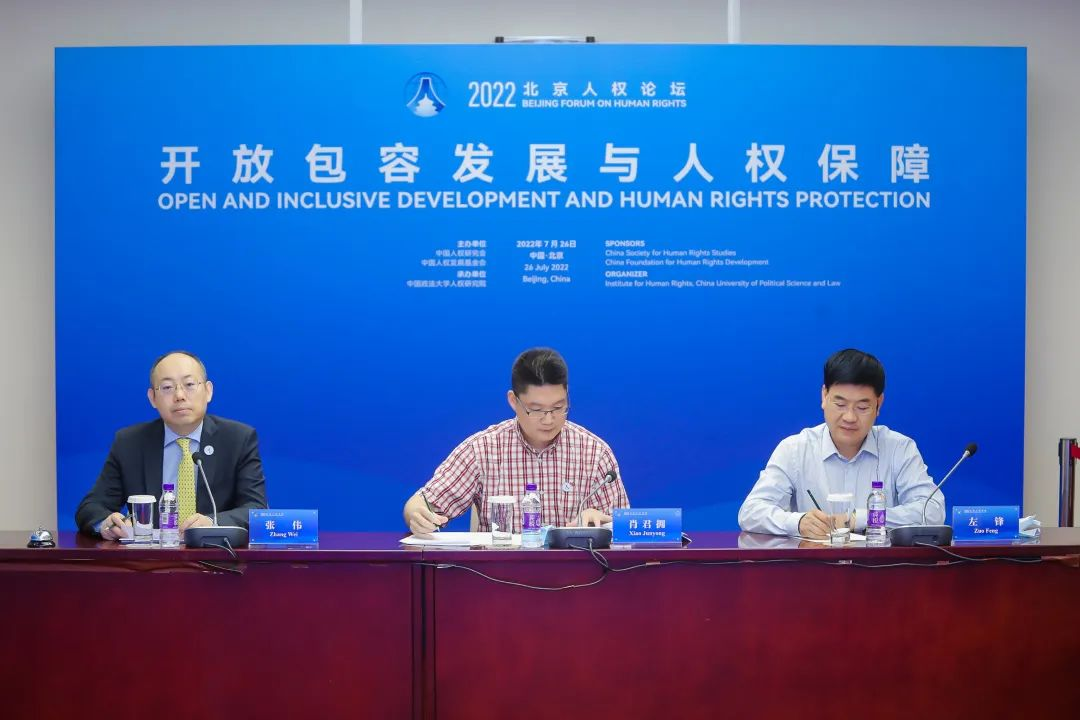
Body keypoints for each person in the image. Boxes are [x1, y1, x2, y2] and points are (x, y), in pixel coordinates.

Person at [403, 347, 630, 535]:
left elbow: (628, 530)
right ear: (513, 401)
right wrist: (417, 515)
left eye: (558, 407)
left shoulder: (594, 452)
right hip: (499, 573)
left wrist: (604, 522)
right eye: (536, 410)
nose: (549, 419)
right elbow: (420, 504)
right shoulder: (483, 450)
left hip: (577, 574)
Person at [738, 348, 942, 539]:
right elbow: (750, 512)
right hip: (815, 563)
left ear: (879, 404)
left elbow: (933, 511)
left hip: (879, 563)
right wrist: (798, 522)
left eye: (862, 407)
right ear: (824, 396)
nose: (850, 417)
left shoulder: (899, 449)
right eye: (840, 404)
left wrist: (857, 519)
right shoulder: (794, 450)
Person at [75, 351, 268, 539]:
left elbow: (257, 509)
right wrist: (106, 523)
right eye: (167, 387)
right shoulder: (129, 442)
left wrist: (212, 522)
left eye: (189, 384)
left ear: (208, 391)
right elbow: (91, 507)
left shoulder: (238, 439)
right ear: (153, 398)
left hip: (217, 555)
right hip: (149, 558)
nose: (180, 395)